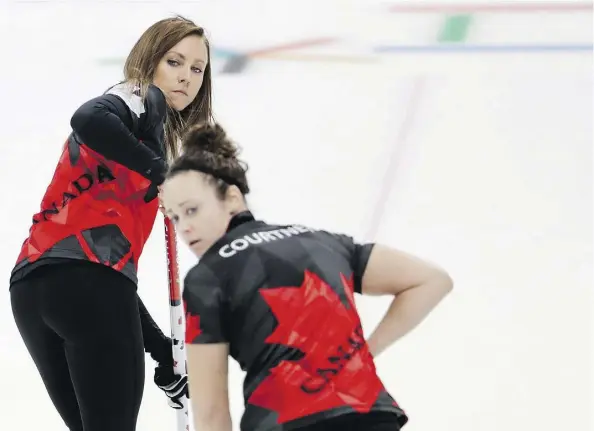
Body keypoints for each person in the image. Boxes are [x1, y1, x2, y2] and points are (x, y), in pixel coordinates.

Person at [159, 122, 454, 431]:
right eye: (175, 217)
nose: (184, 228)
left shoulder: (206, 278)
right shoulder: (322, 241)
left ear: (232, 198)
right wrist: (365, 352)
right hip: (371, 414)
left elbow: (210, 415)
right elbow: (431, 280)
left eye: (192, 210)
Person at [9, 15, 213, 431]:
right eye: (175, 62)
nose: (186, 77)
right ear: (150, 61)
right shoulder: (137, 97)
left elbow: (105, 273)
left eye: (197, 69)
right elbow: (86, 118)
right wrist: (161, 171)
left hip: (33, 288)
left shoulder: (140, 136)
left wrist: (160, 352)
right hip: (85, 287)